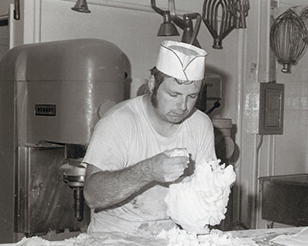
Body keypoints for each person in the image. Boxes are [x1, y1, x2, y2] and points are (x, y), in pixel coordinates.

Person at [83, 40, 216, 234]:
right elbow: (92, 195)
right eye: (174, 94)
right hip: (115, 240)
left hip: (173, 238)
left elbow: (207, 190)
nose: (183, 106)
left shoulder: (200, 124)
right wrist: (148, 171)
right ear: (153, 84)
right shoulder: (118, 122)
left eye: (192, 96)